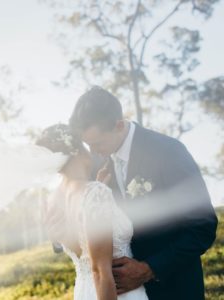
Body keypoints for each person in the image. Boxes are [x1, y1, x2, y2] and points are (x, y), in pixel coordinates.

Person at [65, 86, 218, 300]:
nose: (93, 152)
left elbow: (203, 227)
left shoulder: (169, 151)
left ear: (118, 125)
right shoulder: (97, 165)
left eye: (97, 143)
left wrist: (149, 268)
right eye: (88, 145)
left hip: (174, 289)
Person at [37, 124, 149, 300]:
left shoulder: (53, 200)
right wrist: (98, 193)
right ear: (77, 150)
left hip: (84, 292)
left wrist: (98, 192)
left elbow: (83, 245)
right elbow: (99, 272)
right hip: (114, 293)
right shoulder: (95, 193)